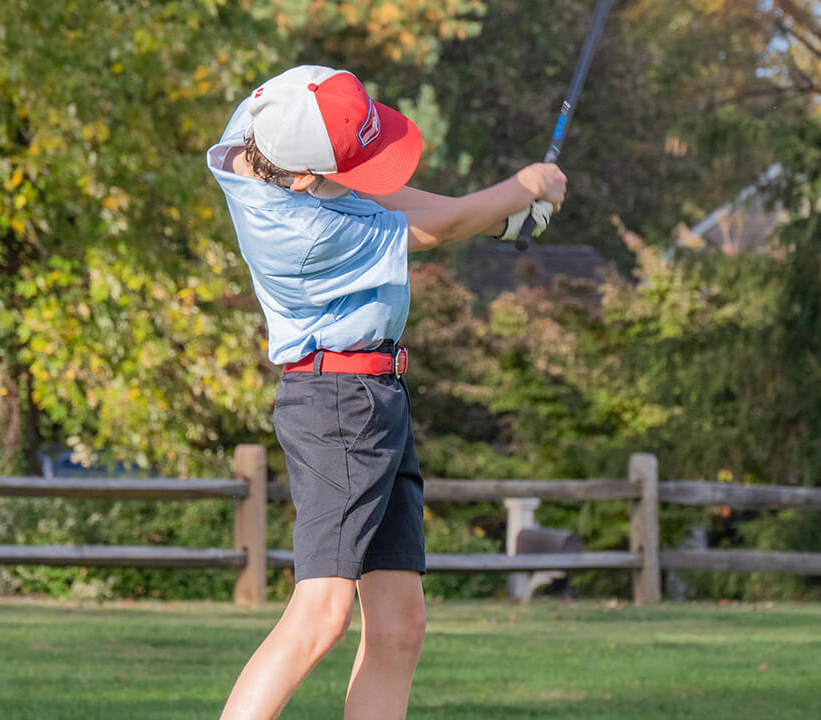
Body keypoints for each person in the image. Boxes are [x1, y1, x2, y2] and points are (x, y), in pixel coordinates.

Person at [206, 65, 567, 720]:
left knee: (400, 626)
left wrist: (498, 217)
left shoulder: (265, 120)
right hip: (336, 410)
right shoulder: (304, 235)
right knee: (321, 615)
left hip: (376, 397)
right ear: (309, 178)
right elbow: (434, 229)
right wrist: (518, 190)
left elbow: (386, 199)